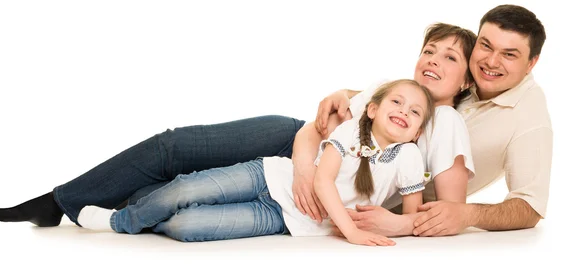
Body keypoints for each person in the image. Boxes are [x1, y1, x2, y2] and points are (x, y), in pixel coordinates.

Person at [0, 22, 477, 237]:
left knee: (189, 193)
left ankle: (96, 205)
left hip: (315, 193)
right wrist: (307, 171)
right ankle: (59, 202)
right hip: (294, 148)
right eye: (429, 50)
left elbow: (447, 211)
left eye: (449, 57)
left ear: (465, 79)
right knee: (175, 146)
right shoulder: (388, 91)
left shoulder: (447, 122)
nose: (433, 60)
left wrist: (402, 223)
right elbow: (314, 128)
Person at [76, 79, 434, 246]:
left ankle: (150, 210)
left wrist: (392, 224)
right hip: (269, 178)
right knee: (187, 188)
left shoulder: (409, 157)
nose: (404, 112)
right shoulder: (350, 130)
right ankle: (120, 220)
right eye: (397, 103)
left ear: (418, 132)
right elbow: (323, 182)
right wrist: (353, 231)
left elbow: (411, 214)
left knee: (187, 226)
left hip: (284, 219)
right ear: (371, 109)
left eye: (415, 112)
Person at [314, 4, 551, 237]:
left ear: (531, 63)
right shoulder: (465, 78)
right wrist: (345, 94)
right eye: (486, 46)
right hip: (322, 161)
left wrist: (466, 215)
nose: (491, 62)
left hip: (349, 196)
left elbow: (530, 207)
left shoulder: (527, 115)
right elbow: (392, 100)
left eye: (509, 54)